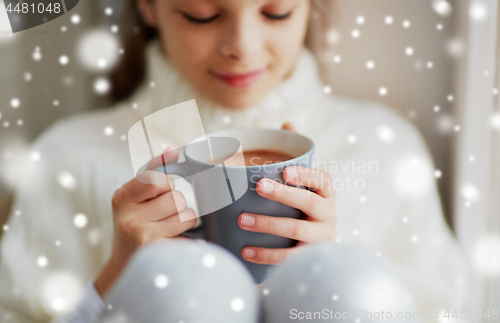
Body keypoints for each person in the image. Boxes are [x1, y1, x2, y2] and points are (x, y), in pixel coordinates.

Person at [0, 0, 468, 322]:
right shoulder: (69, 158)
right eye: (202, 15)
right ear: (147, 6)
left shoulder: (383, 148)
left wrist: (333, 271)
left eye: (276, 11)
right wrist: (114, 284)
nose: (241, 45)